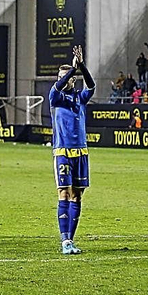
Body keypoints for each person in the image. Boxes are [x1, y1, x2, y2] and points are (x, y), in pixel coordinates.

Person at [49, 45, 95, 255]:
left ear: (74, 80)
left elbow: (92, 86)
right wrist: (71, 70)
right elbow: (57, 86)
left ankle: (71, 240)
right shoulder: (55, 96)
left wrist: (82, 67)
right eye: (60, 76)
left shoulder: (79, 97)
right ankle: (64, 240)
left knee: (77, 196)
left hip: (81, 152)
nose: (62, 79)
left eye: (66, 76)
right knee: (64, 193)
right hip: (63, 152)